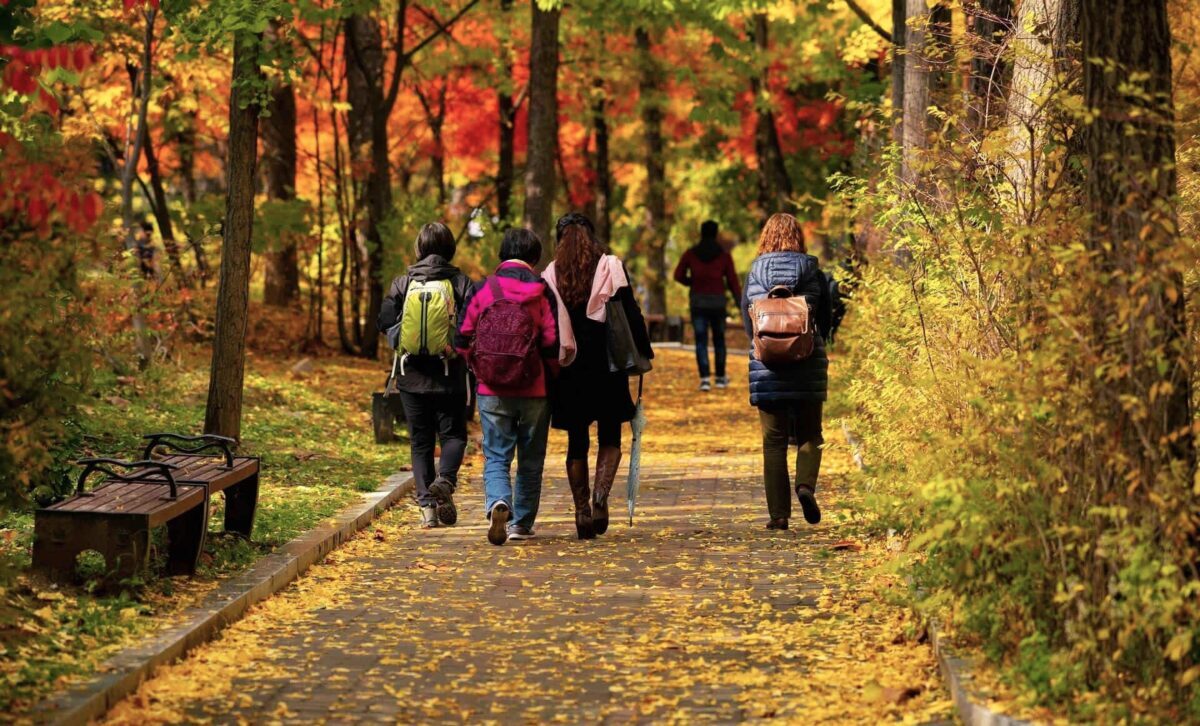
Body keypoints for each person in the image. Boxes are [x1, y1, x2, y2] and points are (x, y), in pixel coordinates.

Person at [543, 213, 654, 539]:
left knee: (577, 440)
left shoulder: (551, 273)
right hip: (608, 363)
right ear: (591, 237)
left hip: (571, 365)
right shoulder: (610, 266)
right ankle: (601, 497)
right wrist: (643, 350)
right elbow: (629, 310)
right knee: (610, 434)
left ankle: (581, 510)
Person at [456, 228, 559, 545]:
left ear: (502, 254)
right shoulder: (542, 291)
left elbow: (461, 338)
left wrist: (479, 366)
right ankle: (521, 525)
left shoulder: (484, 288)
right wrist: (550, 377)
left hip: (492, 388)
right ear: (535, 257)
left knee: (497, 455)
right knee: (530, 459)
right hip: (534, 389)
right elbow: (552, 343)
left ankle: (499, 502)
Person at [377, 222, 472, 529]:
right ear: (450, 248)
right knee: (454, 435)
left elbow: (385, 321)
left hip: (411, 373)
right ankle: (445, 480)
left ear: (419, 247)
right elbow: (472, 325)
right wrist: (455, 348)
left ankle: (427, 510)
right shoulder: (460, 282)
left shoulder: (403, 282)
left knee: (420, 442)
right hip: (449, 372)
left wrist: (403, 344)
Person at [741, 213, 831, 530]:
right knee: (811, 434)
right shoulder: (812, 269)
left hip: (767, 365)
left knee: (774, 442)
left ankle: (779, 516)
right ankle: (805, 484)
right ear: (798, 237)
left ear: (766, 237)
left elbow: (746, 317)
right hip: (807, 360)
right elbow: (827, 312)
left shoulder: (755, 272)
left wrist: (762, 347)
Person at [674, 220, 741, 391]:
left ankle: (704, 378)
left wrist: (692, 282)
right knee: (719, 340)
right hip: (718, 303)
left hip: (698, 303)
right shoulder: (724, 256)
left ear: (702, 233)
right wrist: (740, 302)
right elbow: (733, 281)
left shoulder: (691, 254)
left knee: (701, 341)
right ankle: (720, 377)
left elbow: (678, 274)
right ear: (716, 234)